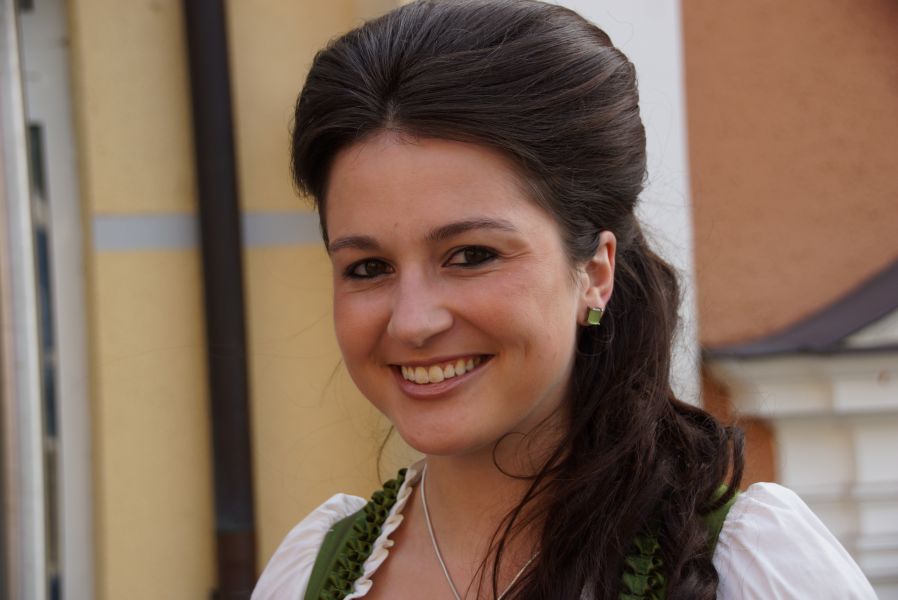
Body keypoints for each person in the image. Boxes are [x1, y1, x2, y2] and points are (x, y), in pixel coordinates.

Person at [253, 1, 877, 598]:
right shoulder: (310, 574)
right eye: (368, 268)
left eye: (471, 255)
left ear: (596, 271)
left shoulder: (750, 566)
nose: (413, 321)